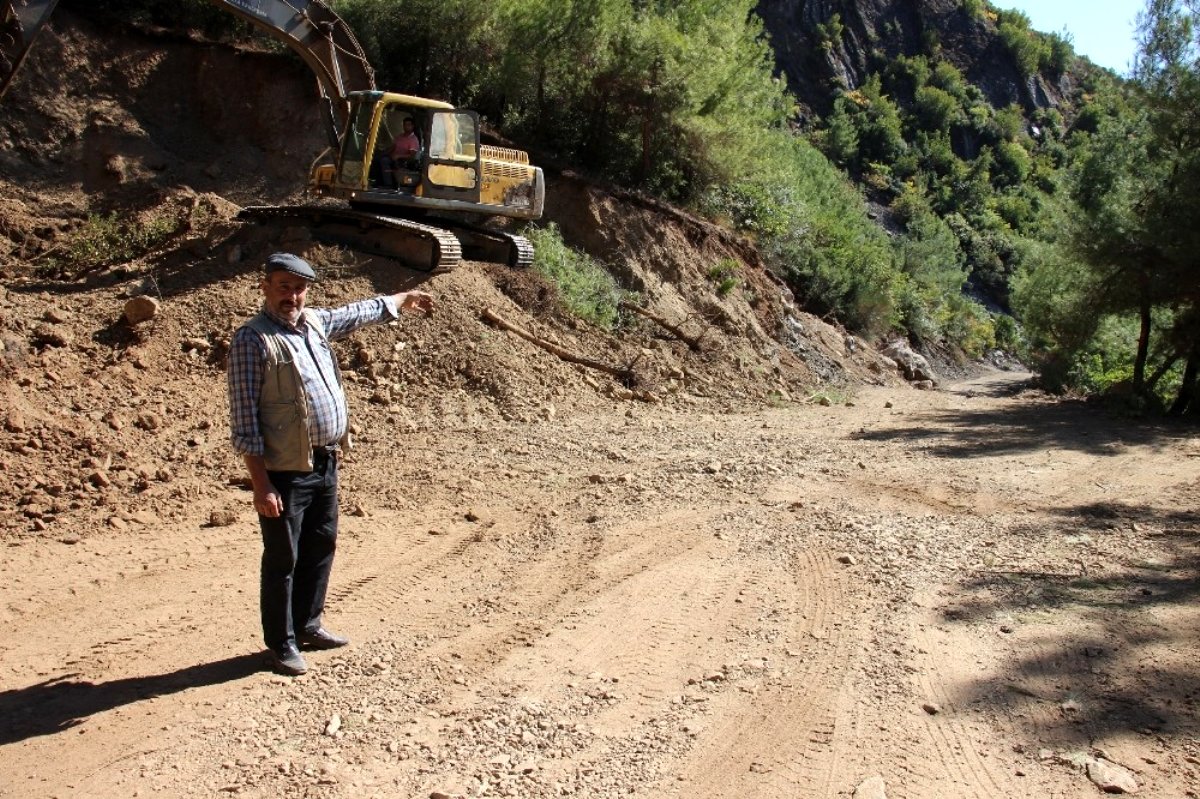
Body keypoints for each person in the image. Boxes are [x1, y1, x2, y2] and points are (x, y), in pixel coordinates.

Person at [227, 252, 435, 676]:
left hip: (324, 461)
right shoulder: (253, 340)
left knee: (321, 545)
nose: (293, 295)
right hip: (285, 470)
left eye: (300, 287)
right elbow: (244, 417)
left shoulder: (315, 324)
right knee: (283, 558)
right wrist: (260, 484)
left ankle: (309, 624)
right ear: (265, 286)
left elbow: (356, 312)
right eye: (284, 286)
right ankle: (281, 642)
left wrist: (401, 298)